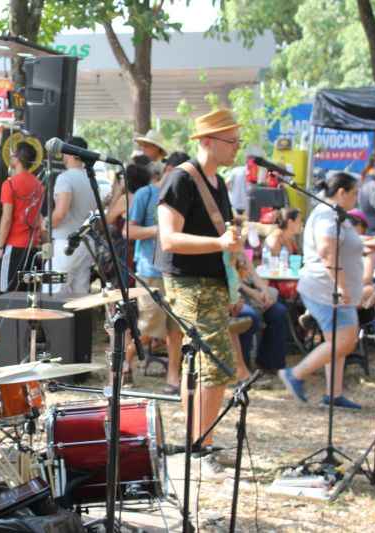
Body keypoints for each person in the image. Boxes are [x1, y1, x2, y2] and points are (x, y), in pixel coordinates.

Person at [157, 108, 242, 475]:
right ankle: (200, 446)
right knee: (216, 365)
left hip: (213, 284)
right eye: (231, 140)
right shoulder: (181, 180)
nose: (236, 147)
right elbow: (168, 238)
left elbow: (221, 239)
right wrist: (220, 243)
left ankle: (199, 442)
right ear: (207, 141)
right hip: (188, 284)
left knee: (204, 366)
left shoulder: (219, 183)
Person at [279, 172, 363, 410]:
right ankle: (295, 374)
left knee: (337, 342)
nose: (357, 198)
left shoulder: (336, 214)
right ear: (341, 193)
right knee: (345, 341)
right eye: (355, 193)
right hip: (327, 289)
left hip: (328, 288)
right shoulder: (327, 215)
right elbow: (327, 250)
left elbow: (347, 244)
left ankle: (333, 395)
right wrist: (342, 286)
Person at [124, 152, 190, 392]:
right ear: (169, 170)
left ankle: (173, 378)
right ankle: (124, 361)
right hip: (150, 270)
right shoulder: (146, 194)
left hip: (177, 272)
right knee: (149, 327)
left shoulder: (184, 196)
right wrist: (159, 230)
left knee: (176, 329)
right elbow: (128, 232)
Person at [47, 136, 98, 294]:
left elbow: (61, 212)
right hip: (87, 244)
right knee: (80, 295)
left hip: (66, 243)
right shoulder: (91, 179)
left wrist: (46, 224)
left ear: (69, 153)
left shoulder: (65, 178)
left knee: (55, 293)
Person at [233, 252, 289, 377]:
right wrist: (253, 293)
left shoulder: (240, 250)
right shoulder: (223, 248)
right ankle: (243, 368)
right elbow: (230, 279)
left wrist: (264, 290)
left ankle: (270, 364)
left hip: (251, 295)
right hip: (233, 295)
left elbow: (254, 275)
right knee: (249, 317)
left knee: (278, 311)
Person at [0, 142, 44, 292]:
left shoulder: (10, 184)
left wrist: (0, 246)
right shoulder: (39, 185)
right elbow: (39, 218)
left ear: (17, 159)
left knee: (8, 293)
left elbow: (6, 218)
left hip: (14, 245)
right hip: (33, 246)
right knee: (29, 295)